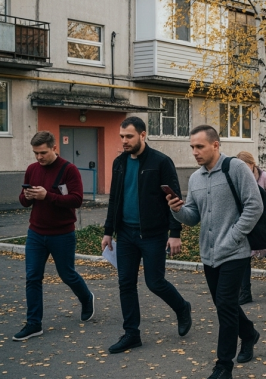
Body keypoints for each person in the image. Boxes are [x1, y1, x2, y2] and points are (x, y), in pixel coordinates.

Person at [169, 125, 263, 379]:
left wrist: (234, 236)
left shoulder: (236, 168)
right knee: (226, 304)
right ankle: (249, 333)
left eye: (199, 146)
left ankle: (224, 366)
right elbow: (192, 217)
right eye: (192, 147)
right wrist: (176, 210)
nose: (195, 152)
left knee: (225, 305)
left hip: (234, 252)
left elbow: (255, 206)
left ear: (215, 145)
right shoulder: (196, 178)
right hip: (209, 255)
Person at [101, 116, 191, 354]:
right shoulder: (119, 162)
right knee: (126, 284)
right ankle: (132, 334)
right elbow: (114, 199)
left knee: (155, 282)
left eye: (129, 136)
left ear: (142, 135)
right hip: (126, 234)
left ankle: (182, 308)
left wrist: (175, 233)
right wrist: (108, 231)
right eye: (121, 136)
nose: (124, 141)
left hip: (152, 234)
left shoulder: (160, 162)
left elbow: (174, 199)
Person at [14, 131, 94, 341]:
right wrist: (28, 196)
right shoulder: (32, 169)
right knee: (33, 277)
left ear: (54, 148)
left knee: (67, 274)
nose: (39, 157)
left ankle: (86, 298)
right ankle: (34, 324)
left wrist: (47, 196)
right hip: (36, 233)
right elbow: (23, 201)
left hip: (62, 233)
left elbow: (76, 200)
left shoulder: (69, 169)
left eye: (42, 152)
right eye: (35, 153)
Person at [235, 151, 266, 302]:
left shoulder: (265, 178)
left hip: (263, 223)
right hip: (247, 222)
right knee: (246, 257)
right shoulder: (239, 179)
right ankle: (246, 292)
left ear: (252, 164)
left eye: (245, 166)